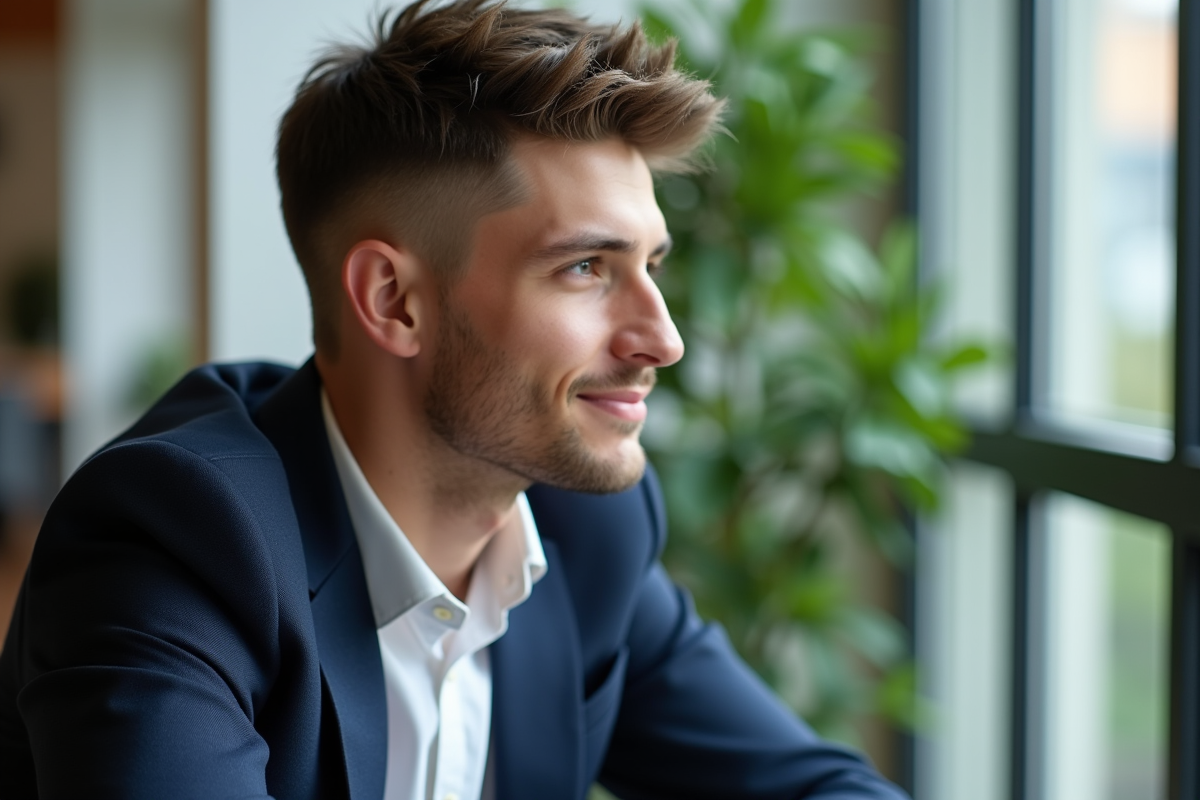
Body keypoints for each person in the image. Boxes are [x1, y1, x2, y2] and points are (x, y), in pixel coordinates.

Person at [0, 1, 910, 798]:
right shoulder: (179, 540)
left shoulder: (589, 536)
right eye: (587, 268)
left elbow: (815, 787)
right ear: (395, 301)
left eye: (652, 266)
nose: (663, 338)